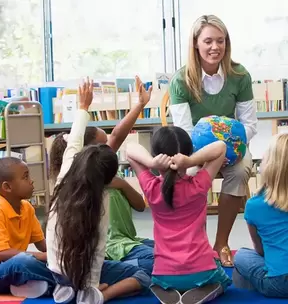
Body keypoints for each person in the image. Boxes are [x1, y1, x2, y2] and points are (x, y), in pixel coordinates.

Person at [46, 77, 152, 304]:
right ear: (106, 177)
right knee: (149, 271)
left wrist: (83, 107)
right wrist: (93, 288)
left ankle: (63, 289)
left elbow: (74, 141)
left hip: (58, 271)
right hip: (87, 273)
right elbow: (98, 249)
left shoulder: (66, 175)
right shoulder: (100, 199)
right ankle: (96, 294)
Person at [169, 14, 257, 267]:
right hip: (195, 149)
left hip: (234, 147)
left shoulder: (240, 75)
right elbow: (184, 132)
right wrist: (208, 157)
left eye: (221, 41)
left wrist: (229, 150)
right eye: (208, 41)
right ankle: (197, 245)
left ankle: (222, 243)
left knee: (240, 171)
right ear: (195, 43)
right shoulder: (180, 80)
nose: (215, 47)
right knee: (189, 173)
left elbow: (249, 124)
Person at [126, 127, 231, 304]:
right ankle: (208, 289)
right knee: (224, 280)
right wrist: (190, 161)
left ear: (156, 153)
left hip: (164, 274)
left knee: (159, 277)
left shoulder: (151, 188)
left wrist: (152, 163)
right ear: (188, 153)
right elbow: (220, 146)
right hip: (202, 270)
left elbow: (129, 148)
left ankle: (164, 289)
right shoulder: (198, 185)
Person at [50, 127, 154, 277]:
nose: (109, 148)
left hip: (127, 241)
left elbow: (139, 205)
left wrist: (122, 184)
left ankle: (120, 268)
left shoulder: (111, 173)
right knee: (156, 260)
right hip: (110, 247)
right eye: (102, 144)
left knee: (169, 252)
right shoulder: (82, 182)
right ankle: (114, 268)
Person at [0, 157, 55, 298]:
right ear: (7, 187)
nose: (31, 181)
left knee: (56, 262)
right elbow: (2, 254)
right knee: (24, 261)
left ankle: (43, 286)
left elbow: (42, 245)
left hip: (14, 269)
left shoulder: (27, 208)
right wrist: (45, 257)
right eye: (25, 177)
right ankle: (70, 283)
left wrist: (62, 253)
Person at [233, 134, 288, 298]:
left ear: (269, 166)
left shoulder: (254, 205)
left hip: (279, 283)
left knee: (242, 255)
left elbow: (260, 250)